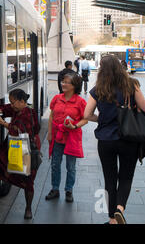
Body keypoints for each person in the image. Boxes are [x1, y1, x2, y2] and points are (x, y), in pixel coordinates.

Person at [84, 55, 145, 224]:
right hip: (129, 138)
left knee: (110, 178)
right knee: (126, 177)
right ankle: (120, 208)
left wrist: (103, 119)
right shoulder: (131, 85)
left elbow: (87, 114)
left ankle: (112, 219)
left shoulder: (98, 88)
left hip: (106, 140)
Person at [0, 89, 40, 220]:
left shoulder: (29, 113)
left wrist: (2, 122)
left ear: (22, 102)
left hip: (28, 149)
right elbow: (5, 108)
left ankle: (28, 208)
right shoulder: (16, 109)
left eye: (13, 103)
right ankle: (0, 181)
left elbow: (20, 132)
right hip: (15, 145)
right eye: (11, 102)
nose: (11, 105)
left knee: (28, 181)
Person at [46, 72, 87, 203]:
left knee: (71, 166)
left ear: (74, 85)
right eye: (62, 81)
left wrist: (75, 126)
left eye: (66, 82)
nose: (63, 84)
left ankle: (69, 190)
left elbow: (85, 119)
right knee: (55, 164)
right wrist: (49, 132)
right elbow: (52, 116)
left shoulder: (80, 102)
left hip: (72, 137)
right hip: (57, 136)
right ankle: (55, 189)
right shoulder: (57, 98)